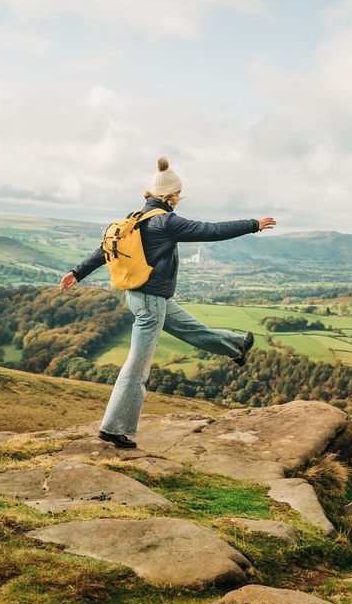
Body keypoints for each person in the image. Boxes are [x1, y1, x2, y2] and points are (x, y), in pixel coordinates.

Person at [59, 157, 276, 448]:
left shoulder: (135, 216)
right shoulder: (166, 222)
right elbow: (210, 231)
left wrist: (77, 272)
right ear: (172, 195)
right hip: (150, 302)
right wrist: (253, 224)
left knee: (192, 330)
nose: (178, 198)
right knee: (138, 368)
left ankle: (236, 345)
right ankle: (113, 427)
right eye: (177, 194)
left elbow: (104, 250)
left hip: (138, 296)